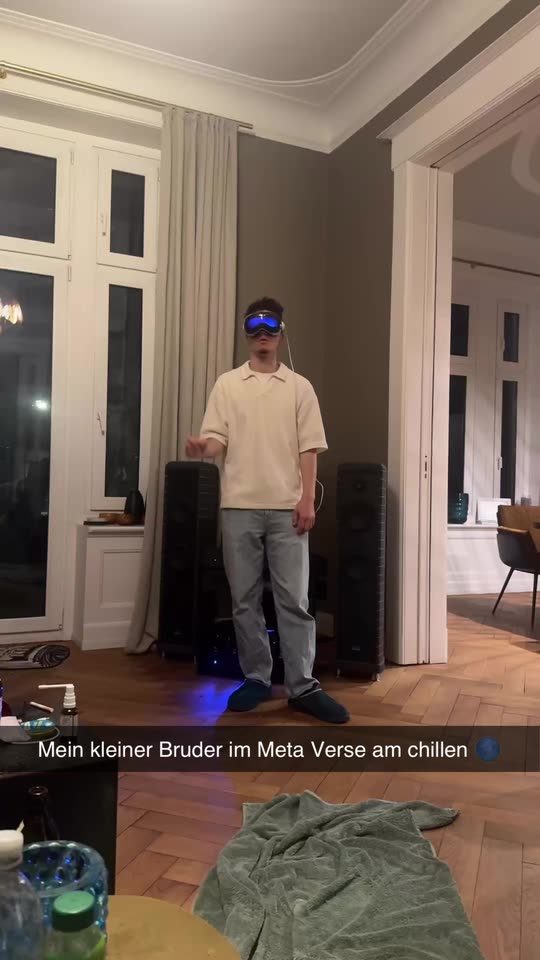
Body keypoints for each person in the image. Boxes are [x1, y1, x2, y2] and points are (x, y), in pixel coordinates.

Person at [186, 297, 349, 724]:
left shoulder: (299, 387)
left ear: (280, 332)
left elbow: (309, 447)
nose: (262, 333)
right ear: (246, 332)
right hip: (238, 507)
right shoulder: (227, 385)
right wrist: (205, 447)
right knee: (243, 600)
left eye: (270, 325)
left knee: (294, 601)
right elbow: (217, 439)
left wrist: (307, 499)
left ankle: (302, 686)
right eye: (255, 325)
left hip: (286, 509)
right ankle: (257, 678)